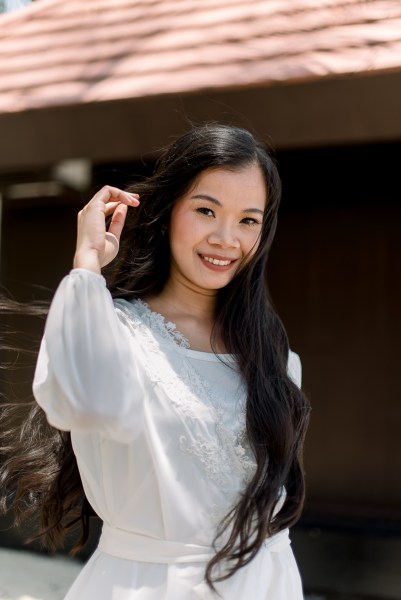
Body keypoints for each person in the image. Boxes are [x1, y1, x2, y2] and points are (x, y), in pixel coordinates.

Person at [0, 123, 310, 599]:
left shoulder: (274, 355)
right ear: (167, 213)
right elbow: (80, 404)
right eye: (207, 210)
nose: (227, 238)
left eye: (249, 220)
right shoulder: (117, 332)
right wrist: (87, 265)